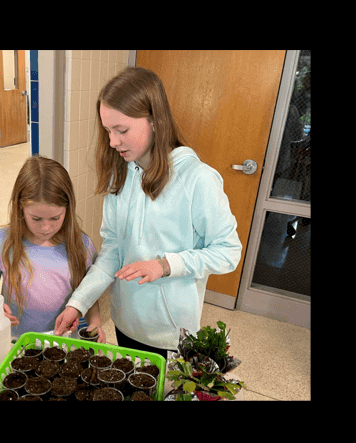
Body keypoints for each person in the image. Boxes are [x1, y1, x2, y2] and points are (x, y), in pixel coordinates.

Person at [53, 67, 242, 357]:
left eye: (122, 130)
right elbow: (113, 251)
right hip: (125, 323)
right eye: (108, 131)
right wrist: (77, 302)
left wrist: (165, 265)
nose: (113, 142)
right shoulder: (121, 175)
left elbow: (228, 252)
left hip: (170, 334)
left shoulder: (198, 179)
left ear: (154, 120)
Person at [0, 156, 101, 342]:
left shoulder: (81, 245)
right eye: (36, 219)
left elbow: (89, 291)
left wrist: (95, 322)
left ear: (68, 209)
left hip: (63, 341)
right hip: (14, 339)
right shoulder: (2, 240)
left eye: (55, 218)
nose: (46, 228)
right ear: (20, 207)